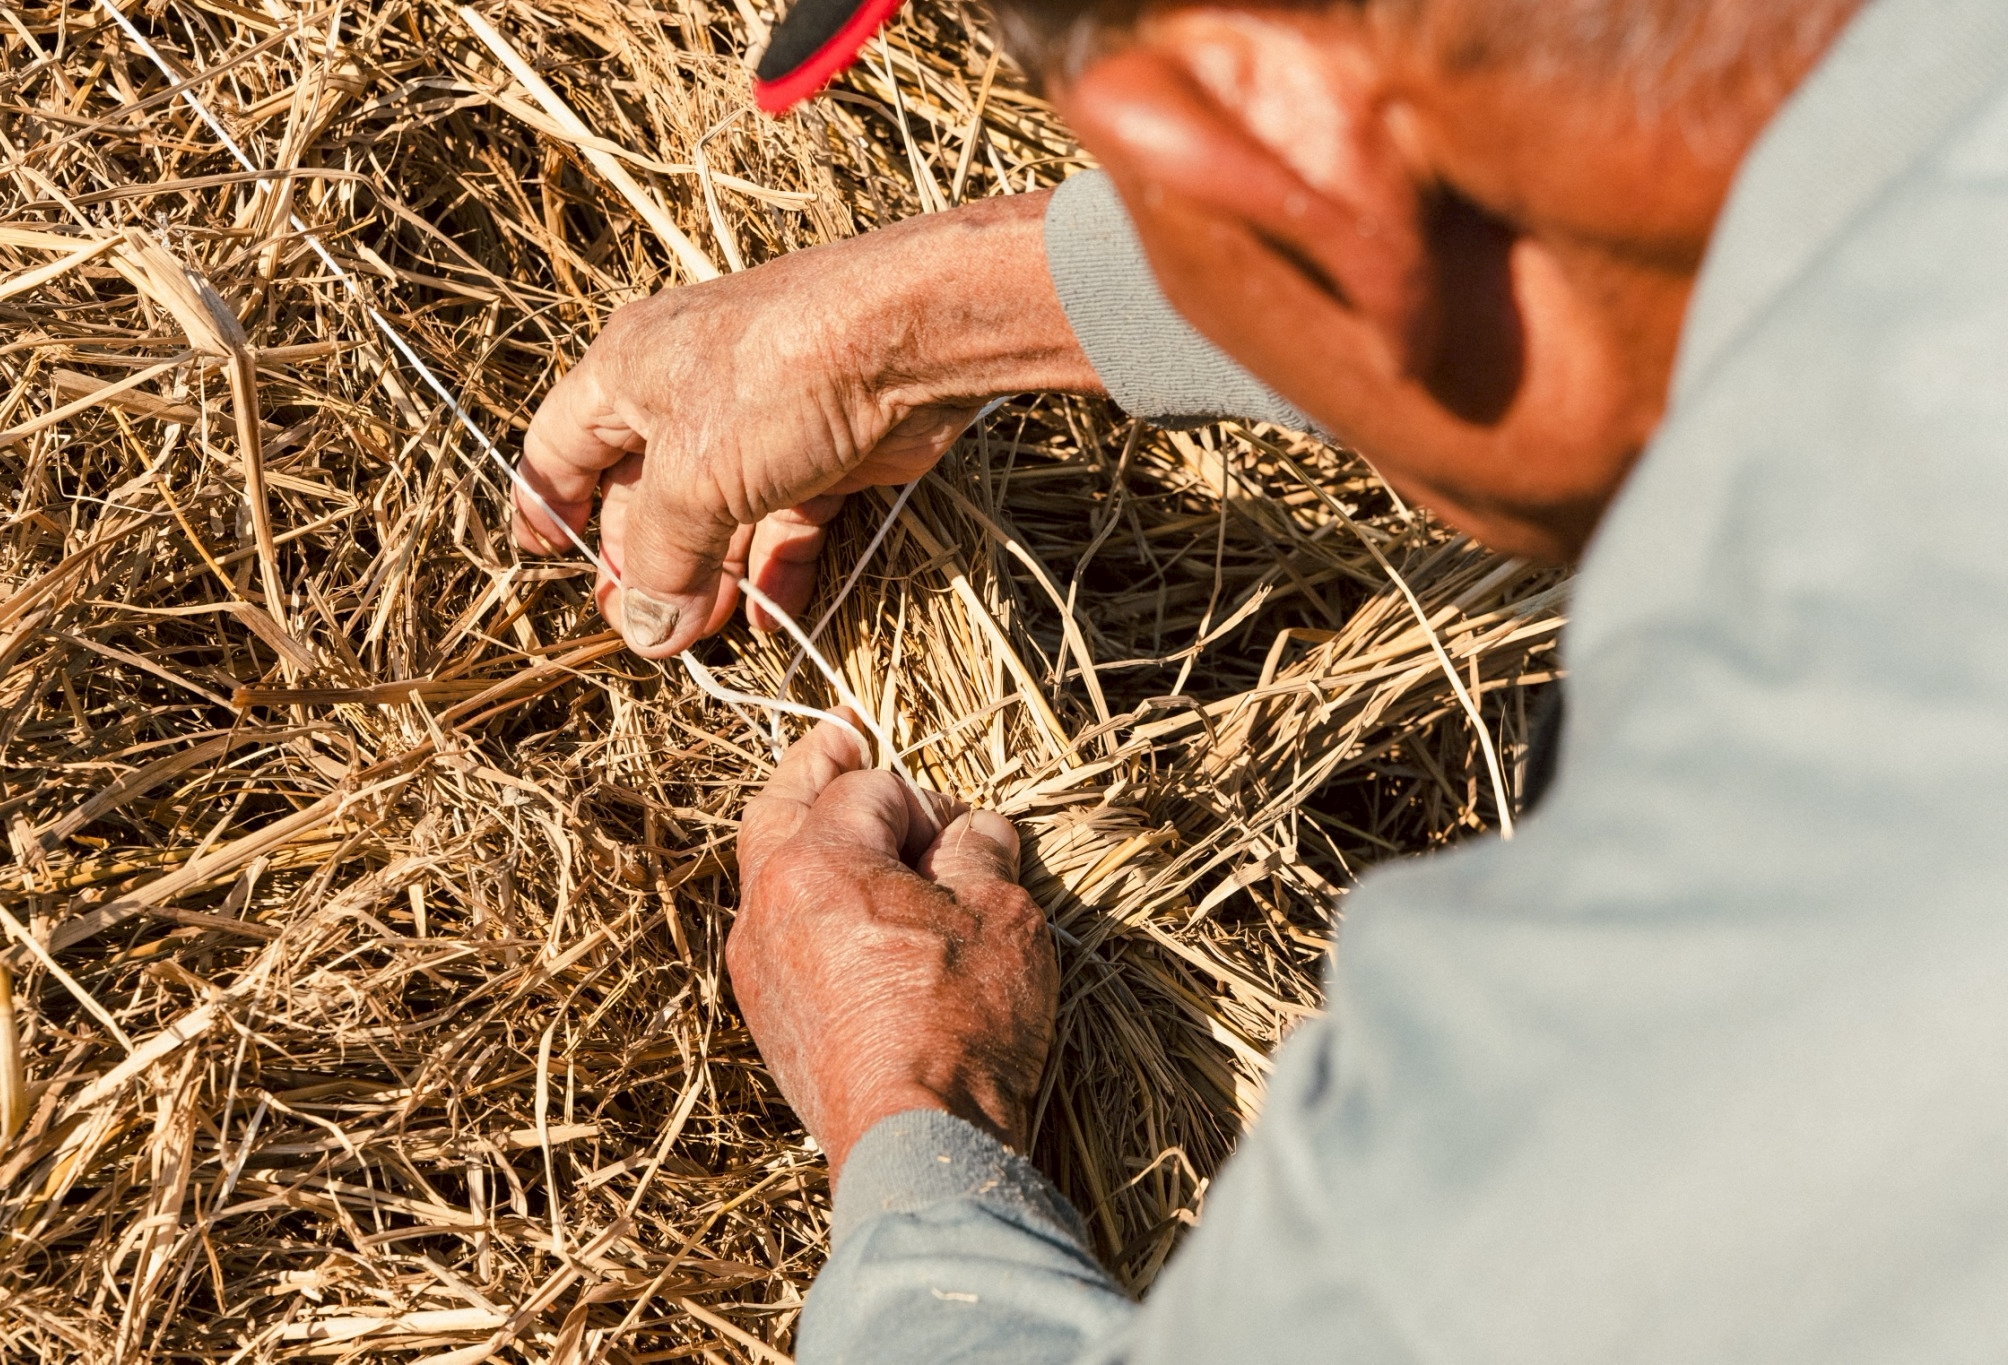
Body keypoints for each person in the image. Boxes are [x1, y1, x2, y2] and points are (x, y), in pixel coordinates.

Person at [514, 0, 2008, 1357]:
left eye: (1165, 197)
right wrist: (908, 334)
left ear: (1273, 162)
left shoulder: (1742, 928)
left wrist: (909, 1112)